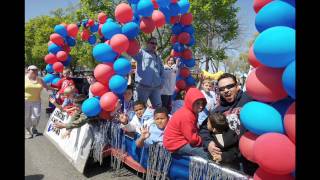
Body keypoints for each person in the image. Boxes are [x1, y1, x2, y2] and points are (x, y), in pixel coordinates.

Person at [199, 73, 257, 175]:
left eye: (229, 86)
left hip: (252, 160)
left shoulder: (250, 98)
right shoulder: (217, 111)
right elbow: (204, 129)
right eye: (222, 89)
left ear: (237, 86)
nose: (226, 90)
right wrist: (209, 144)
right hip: (230, 162)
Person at [163, 88, 209, 159]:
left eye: (202, 103)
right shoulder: (187, 115)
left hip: (179, 140)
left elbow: (193, 130)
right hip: (174, 144)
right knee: (205, 152)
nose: (201, 106)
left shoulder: (192, 111)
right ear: (190, 102)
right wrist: (205, 141)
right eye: (197, 103)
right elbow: (193, 139)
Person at [132, 37, 165, 108]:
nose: (154, 45)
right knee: (140, 108)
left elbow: (162, 71)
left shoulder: (157, 57)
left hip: (156, 88)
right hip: (143, 88)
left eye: (156, 43)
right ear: (147, 44)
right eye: (152, 43)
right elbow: (132, 55)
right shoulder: (141, 53)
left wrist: (162, 82)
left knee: (158, 108)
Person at [25, 65, 54, 139]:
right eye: (33, 70)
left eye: (36, 70)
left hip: (37, 101)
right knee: (26, 117)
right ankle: (27, 131)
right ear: (28, 70)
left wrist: (57, 89)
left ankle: (33, 128)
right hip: (26, 101)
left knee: (36, 117)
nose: (35, 71)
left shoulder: (40, 79)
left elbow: (47, 87)